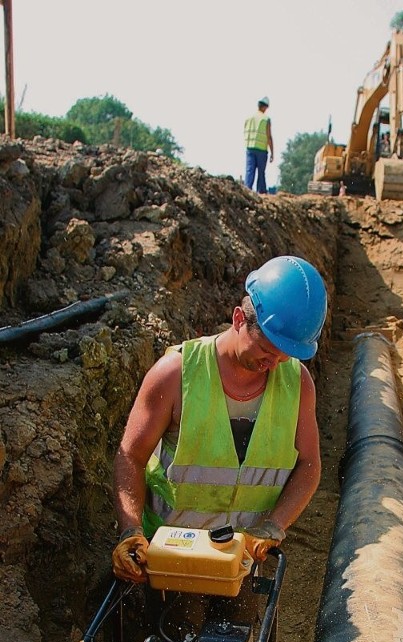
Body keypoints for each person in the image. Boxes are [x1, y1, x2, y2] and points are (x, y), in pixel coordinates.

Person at [112, 255, 327, 584]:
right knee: (177, 632)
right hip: (173, 557)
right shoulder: (175, 375)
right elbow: (131, 455)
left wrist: (273, 526)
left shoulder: (297, 384)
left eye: (287, 355)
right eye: (267, 350)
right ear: (240, 319)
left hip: (241, 560)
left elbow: (309, 465)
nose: (276, 363)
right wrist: (131, 529)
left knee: (241, 633)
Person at [244, 96, 274, 194]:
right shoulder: (266, 119)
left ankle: (246, 190)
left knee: (249, 171)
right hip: (261, 149)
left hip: (250, 148)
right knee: (261, 172)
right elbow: (269, 136)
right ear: (265, 107)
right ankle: (261, 192)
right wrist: (272, 152)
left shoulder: (249, 118)